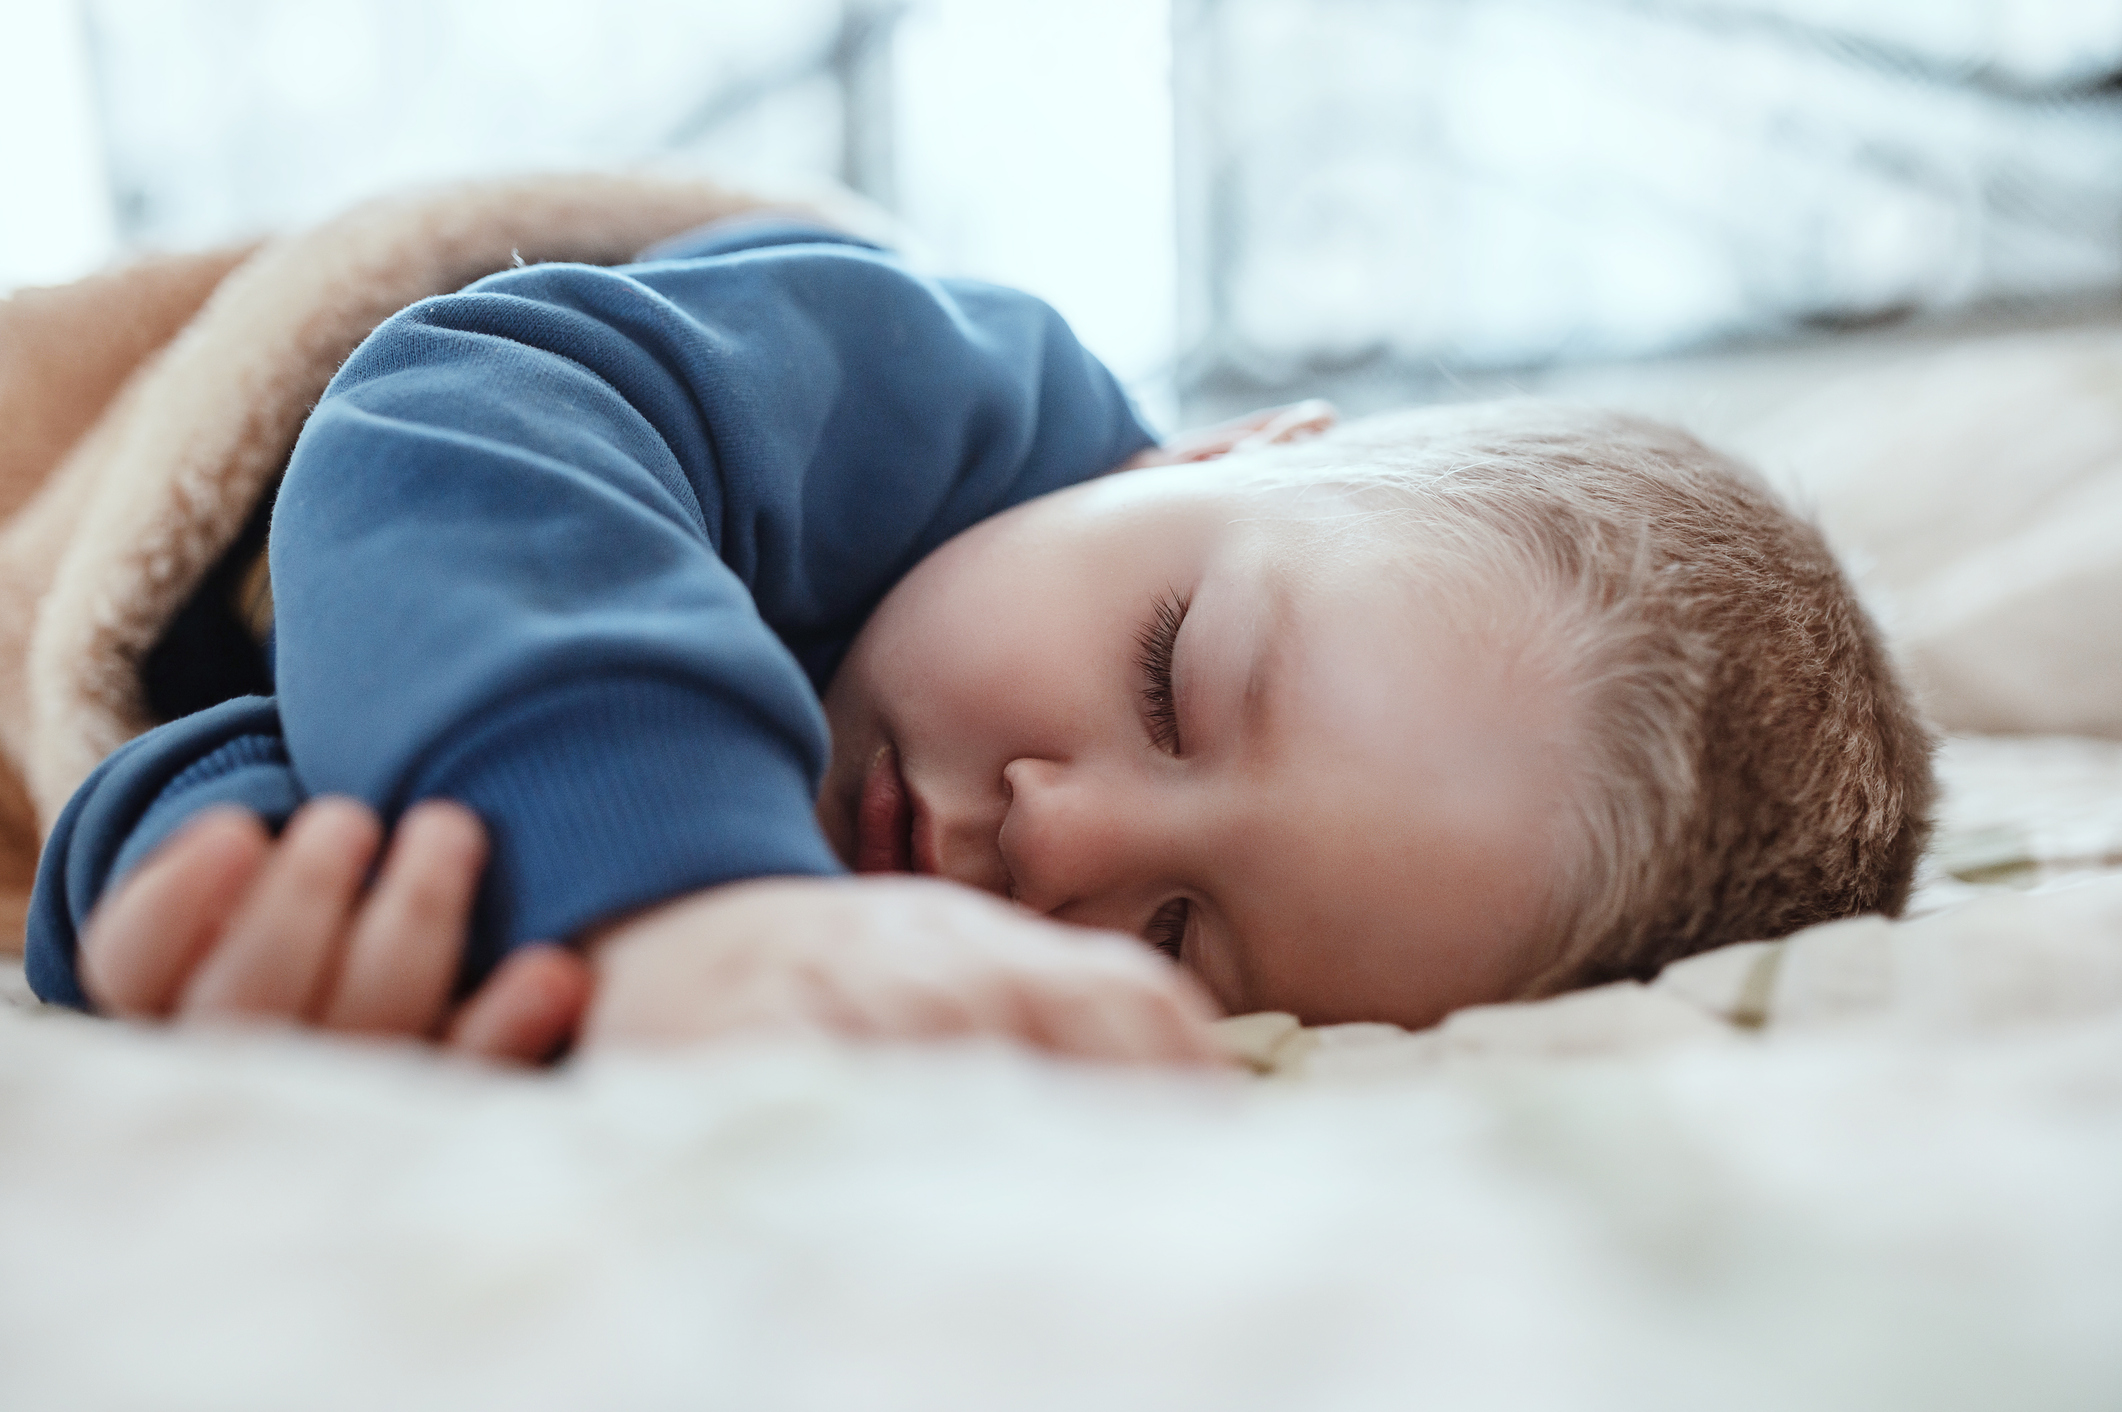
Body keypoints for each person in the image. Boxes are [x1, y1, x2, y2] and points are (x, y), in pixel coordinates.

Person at [22, 218, 1935, 1065]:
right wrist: (686, 898)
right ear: (1222, 450)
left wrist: (261, 903)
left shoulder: (875, 988)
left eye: (1190, 942)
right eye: (1168, 674)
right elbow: (467, 416)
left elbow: (237, 729)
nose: (1062, 844)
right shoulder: (943, 384)